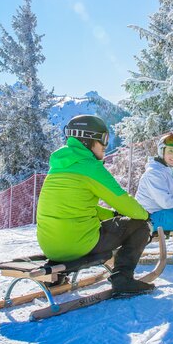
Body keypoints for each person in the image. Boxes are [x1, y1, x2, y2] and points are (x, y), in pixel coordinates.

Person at [36, 114, 154, 295]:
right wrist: (145, 215)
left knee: (99, 225)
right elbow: (123, 201)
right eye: (104, 140)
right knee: (140, 225)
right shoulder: (91, 167)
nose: (106, 146)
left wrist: (113, 215)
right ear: (88, 141)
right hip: (78, 245)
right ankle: (123, 278)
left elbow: (78, 207)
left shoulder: (58, 167)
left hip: (50, 246)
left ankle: (57, 275)